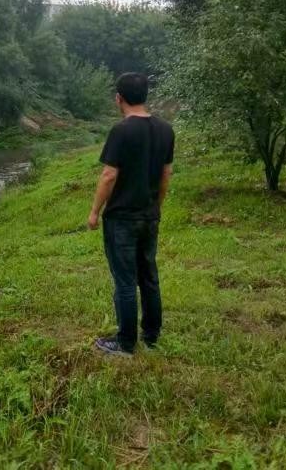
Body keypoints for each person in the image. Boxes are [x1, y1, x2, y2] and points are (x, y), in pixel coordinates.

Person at [87, 72, 175, 357]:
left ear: (119, 98)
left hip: (122, 219)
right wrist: (156, 205)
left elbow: (109, 175)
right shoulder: (166, 130)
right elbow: (166, 174)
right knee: (148, 276)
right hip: (149, 216)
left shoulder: (121, 131)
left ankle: (125, 343)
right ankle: (151, 335)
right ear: (146, 95)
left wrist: (94, 212)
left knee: (125, 281)